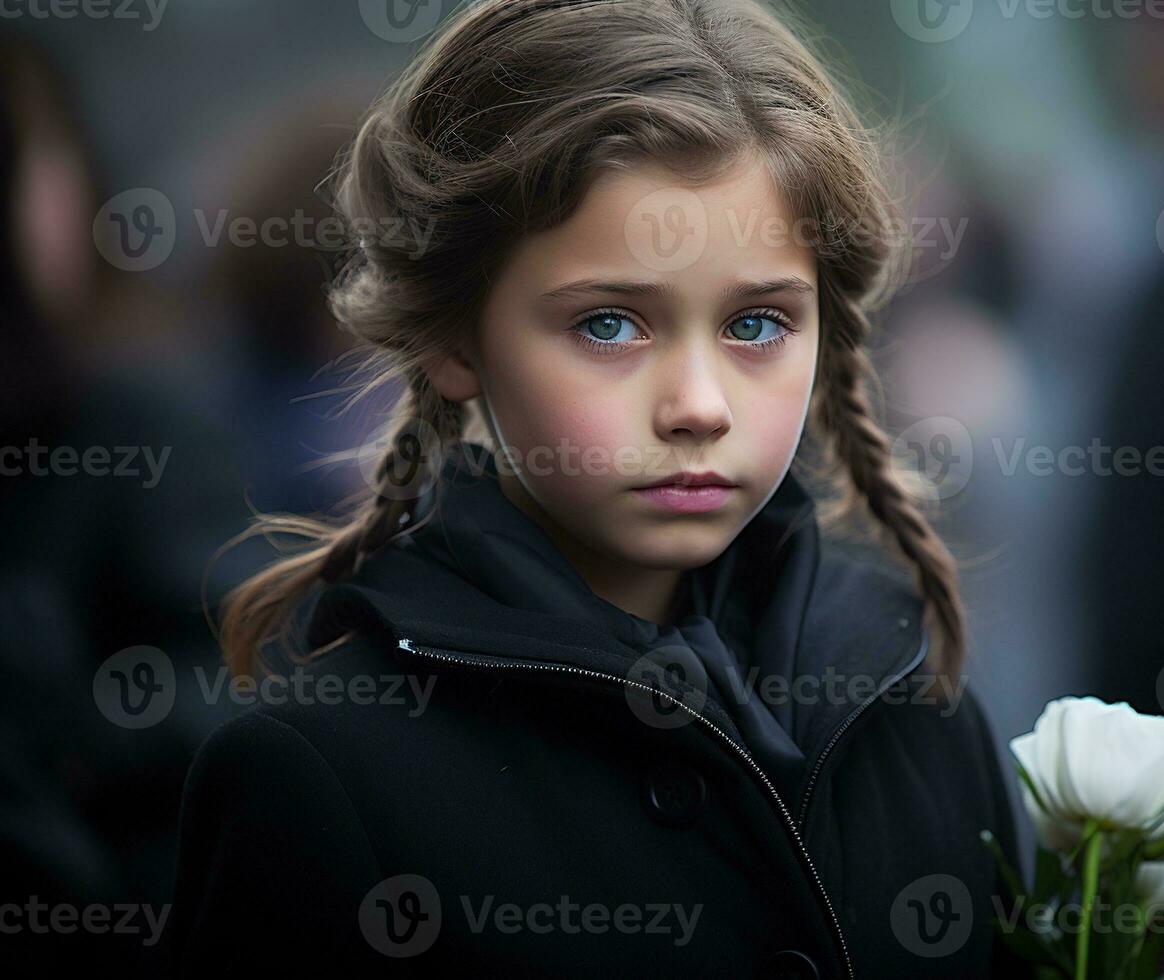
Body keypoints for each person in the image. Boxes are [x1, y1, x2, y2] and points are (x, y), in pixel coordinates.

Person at [165, 1, 1021, 975]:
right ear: (454, 336)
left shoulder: (911, 693)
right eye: (610, 325)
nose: (699, 405)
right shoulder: (319, 779)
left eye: (757, 324)